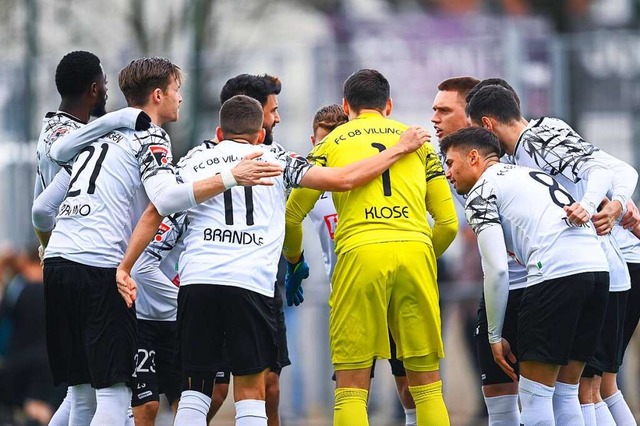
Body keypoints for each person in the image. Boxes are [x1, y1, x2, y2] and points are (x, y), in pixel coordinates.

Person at [116, 94, 430, 426]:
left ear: (220, 133)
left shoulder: (193, 160)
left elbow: (157, 209)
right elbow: (344, 179)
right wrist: (398, 148)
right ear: (261, 134)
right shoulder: (275, 157)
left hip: (199, 284)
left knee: (194, 391)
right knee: (251, 392)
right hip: (250, 285)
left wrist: (125, 266)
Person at [31, 57, 283, 425]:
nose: (181, 99)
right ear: (159, 94)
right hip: (100, 267)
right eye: (177, 90)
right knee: (115, 399)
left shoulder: (98, 137)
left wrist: (48, 246)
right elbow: (165, 199)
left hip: (57, 264)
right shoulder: (150, 135)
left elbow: (41, 210)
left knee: (79, 396)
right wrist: (230, 175)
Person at [283, 69, 458, 425]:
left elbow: (292, 216)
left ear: (346, 106)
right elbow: (448, 224)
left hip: (358, 255)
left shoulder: (330, 144)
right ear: (388, 105)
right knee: (427, 385)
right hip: (414, 251)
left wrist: (294, 261)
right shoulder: (419, 141)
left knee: (351, 387)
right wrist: (422, 254)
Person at [466, 84, 639, 425]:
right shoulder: (518, 159)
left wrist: (602, 205)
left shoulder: (541, 137)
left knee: (584, 390)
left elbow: (609, 169)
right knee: (593, 389)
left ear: (485, 125)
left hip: (599, 263)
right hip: (600, 267)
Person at [441, 126, 611, 425]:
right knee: (567, 394)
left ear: (473, 158)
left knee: (535, 397)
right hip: (596, 271)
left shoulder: (481, 191)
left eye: (450, 163)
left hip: (554, 276)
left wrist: (494, 335)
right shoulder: (525, 174)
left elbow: (496, 269)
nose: (447, 173)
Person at [433, 76, 527, 425]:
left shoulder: (519, 156)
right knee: (497, 392)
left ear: (473, 116)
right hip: (490, 284)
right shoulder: (448, 162)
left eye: (444, 110)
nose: (435, 119)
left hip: (537, 286)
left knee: (566, 392)